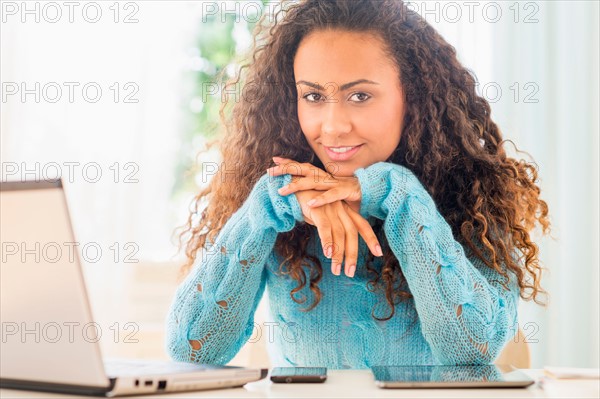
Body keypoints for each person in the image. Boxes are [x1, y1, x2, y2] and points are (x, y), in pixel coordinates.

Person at [166, 0, 550, 369]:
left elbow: (472, 348)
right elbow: (193, 349)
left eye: (360, 95)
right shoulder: (272, 195)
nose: (333, 126)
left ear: (412, 97)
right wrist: (267, 208)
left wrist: (397, 194)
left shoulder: (473, 194)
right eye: (313, 96)